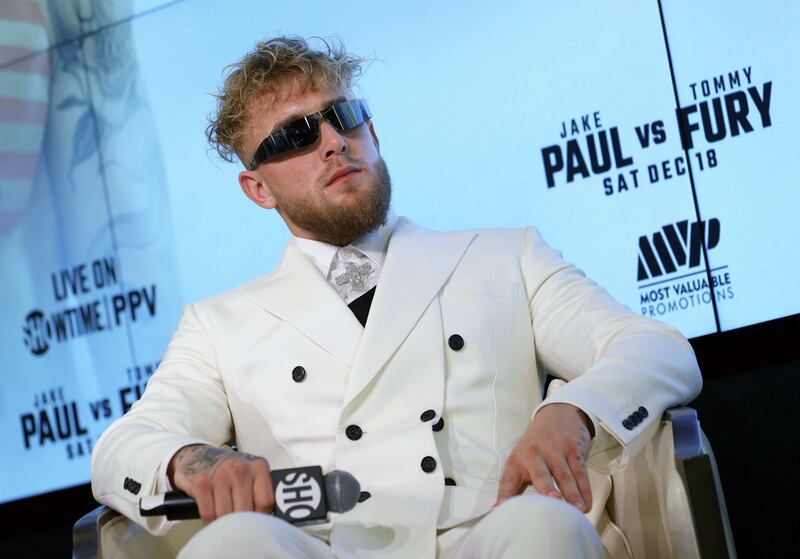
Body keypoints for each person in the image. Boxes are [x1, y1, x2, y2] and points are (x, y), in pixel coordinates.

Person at [91, 36, 702, 559]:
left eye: (344, 115)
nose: (333, 141)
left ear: (372, 132)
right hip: (331, 545)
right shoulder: (218, 324)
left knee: (545, 524)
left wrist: (569, 413)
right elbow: (124, 444)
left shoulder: (502, 255)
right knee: (231, 545)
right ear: (258, 189)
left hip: (491, 533)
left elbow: (654, 347)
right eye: (295, 137)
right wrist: (196, 461)